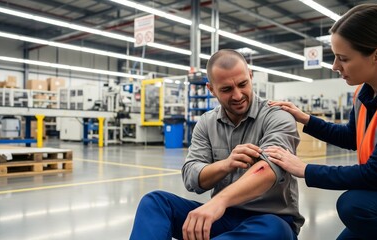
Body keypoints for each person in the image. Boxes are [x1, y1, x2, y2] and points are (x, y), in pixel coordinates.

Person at [266, 3, 377, 240]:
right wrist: (306, 119)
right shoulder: (364, 94)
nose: (334, 66)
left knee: (354, 205)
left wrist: (305, 169)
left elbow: (374, 174)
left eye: (343, 58)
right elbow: (352, 137)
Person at [130, 49, 304, 240]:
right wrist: (226, 164)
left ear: (251, 76)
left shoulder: (277, 116)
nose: (237, 95)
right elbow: (191, 177)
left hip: (270, 219)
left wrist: (220, 200)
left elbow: (270, 168)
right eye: (226, 89)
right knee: (155, 202)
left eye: (242, 84)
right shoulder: (206, 122)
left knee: (274, 230)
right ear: (211, 89)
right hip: (223, 217)